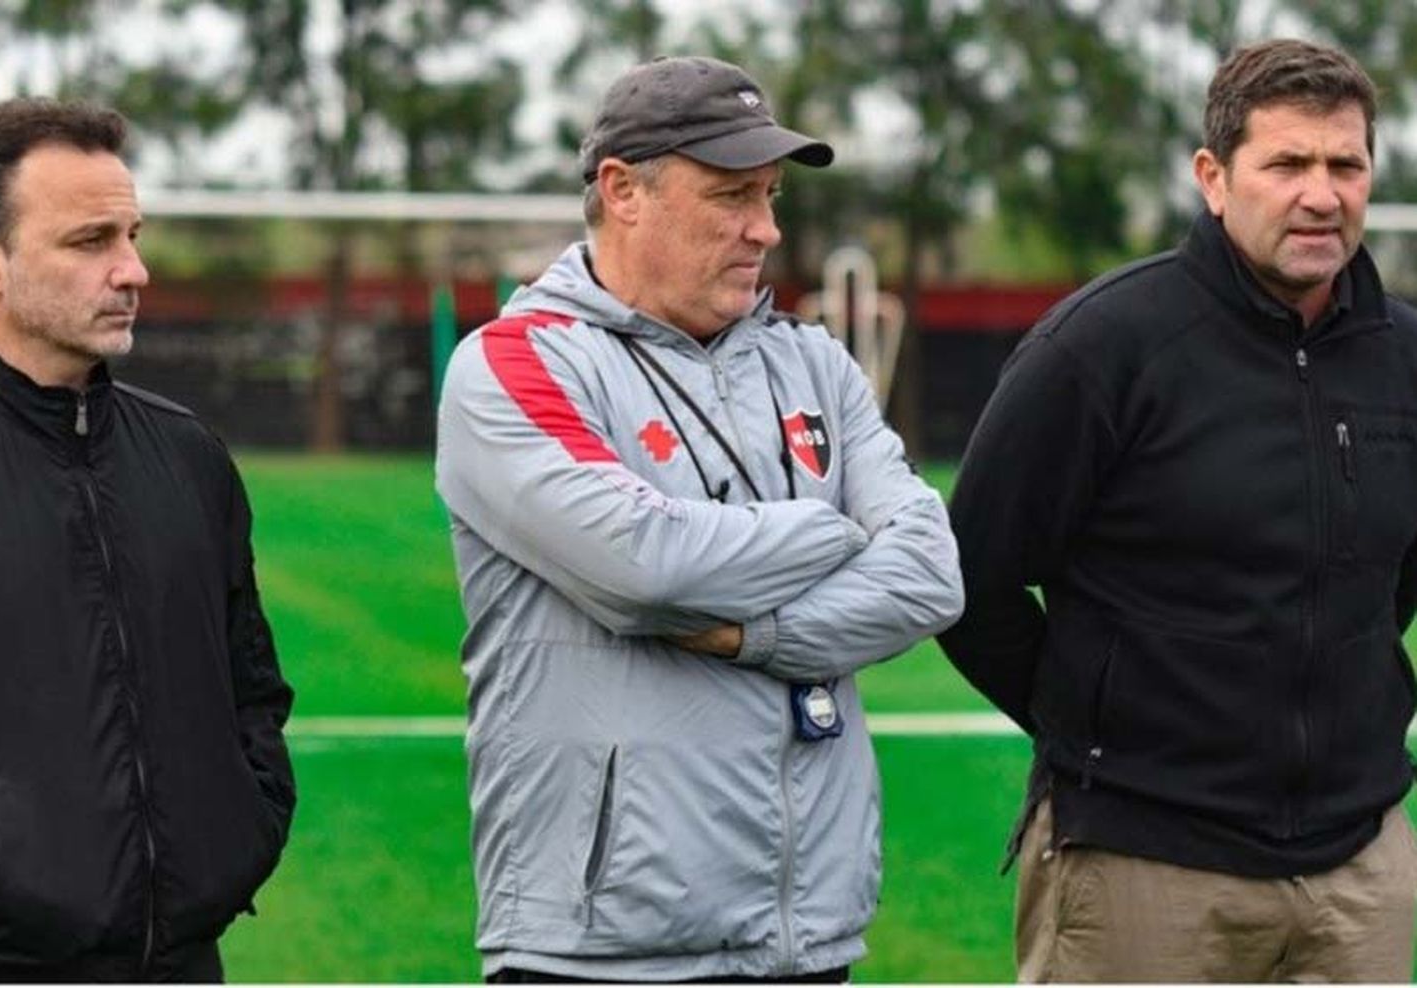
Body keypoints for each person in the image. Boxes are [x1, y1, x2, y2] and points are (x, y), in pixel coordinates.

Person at [436, 55, 963, 983]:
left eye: (769, 195)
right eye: (730, 196)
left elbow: (928, 574)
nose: (765, 228)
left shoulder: (815, 363)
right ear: (622, 190)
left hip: (810, 937)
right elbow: (647, 568)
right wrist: (835, 531)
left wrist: (750, 632)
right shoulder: (515, 365)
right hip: (603, 950)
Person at [938, 38, 1417, 982]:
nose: (1321, 194)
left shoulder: (1408, 355)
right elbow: (967, 576)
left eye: (1345, 165)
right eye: (1286, 163)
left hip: (1360, 866)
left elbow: (1396, 575)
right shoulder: (1102, 345)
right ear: (1213, 177)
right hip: (1140, 864)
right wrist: (1103, 725)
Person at [0, 99, 294, 981]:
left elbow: (252, 690)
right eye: (92, 242)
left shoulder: (190, 457)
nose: (134, 270)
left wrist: (245, 824)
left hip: (183, 960)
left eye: (132, 235)